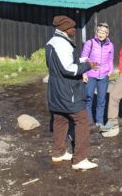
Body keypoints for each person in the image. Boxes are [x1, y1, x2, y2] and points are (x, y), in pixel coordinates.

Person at [45, 15, 99, 170]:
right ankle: (80, 159)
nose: (74, 29)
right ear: (65, 29)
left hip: (55, 88)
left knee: (60, 119)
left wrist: (81, 61)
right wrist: (88, 66)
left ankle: (58, 153)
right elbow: (68, 68)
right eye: (72, 27)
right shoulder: (63, 44)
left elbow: (56, 65)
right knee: (82, 120)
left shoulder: (51, 42)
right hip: (67, 90)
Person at [81, 23, 114, 129]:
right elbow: (83, 59)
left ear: (107, 34)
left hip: (104, 75)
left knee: (101, 99)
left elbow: (110, 59)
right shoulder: (89, 43)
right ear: (96, 32)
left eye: (103, 32)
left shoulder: (110, 45)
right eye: (99, 31)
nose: (101, 34)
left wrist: (111, 69)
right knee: (89, 97)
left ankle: (99, 121)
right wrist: (84, 73)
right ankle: (89, 121)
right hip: (91, 74)